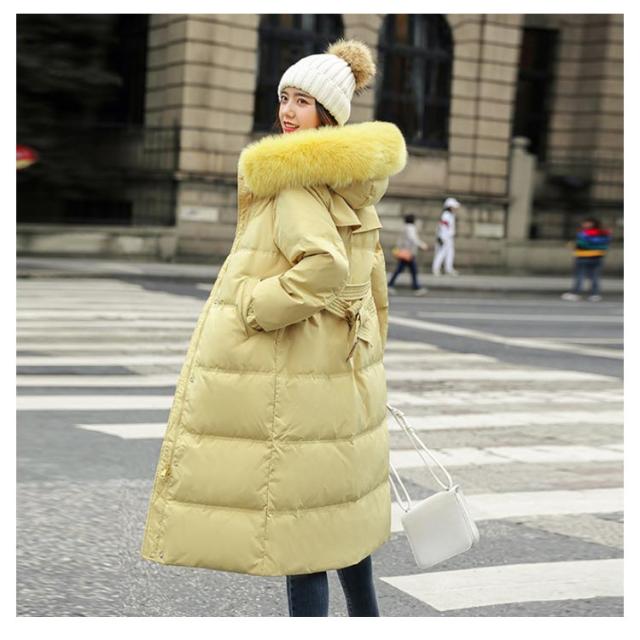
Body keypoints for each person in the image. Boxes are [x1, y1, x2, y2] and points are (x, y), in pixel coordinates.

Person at [140, 39, 407, 617]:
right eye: (284, 97)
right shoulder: (354, 185)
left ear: (329, 114)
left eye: (303, 101)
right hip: (339, 369)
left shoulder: (294, 180)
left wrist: (256, 305)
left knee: (299, 535)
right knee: (337, 519)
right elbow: (372, 284)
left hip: (299, 371)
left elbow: (323, 266)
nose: (287, 111)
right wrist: (371, 353)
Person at [561, 217, 612, 301]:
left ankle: (576, 293)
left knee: (580, 276)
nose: (584, 224)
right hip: (597, 257)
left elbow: (581, 244)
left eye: (586, 222)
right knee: (594, 277)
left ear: (592, 223)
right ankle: (595, 294)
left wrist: (575, 244)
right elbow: (605, 245)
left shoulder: (584, 234)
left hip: (583, 257)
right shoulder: (604, 233)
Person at [387, 213, 428, 295]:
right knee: (410, 270)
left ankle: (415, 287)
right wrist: (422, 245)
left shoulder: (405, 227)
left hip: (405, 252)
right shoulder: (410, 228)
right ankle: (415, 287)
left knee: (407, 270)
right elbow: (413, 239)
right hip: (408, 253)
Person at [432, 197, 461, 276]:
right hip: (444, 237)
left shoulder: (451, 215)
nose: (455, 208)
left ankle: (448, 269)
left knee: (450, 253)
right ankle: (436, 268)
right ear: (450, 207)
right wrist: (442, 237)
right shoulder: (446, 215)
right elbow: (443, 227)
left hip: (449, 237)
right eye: (454, 206)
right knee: (441, 253)